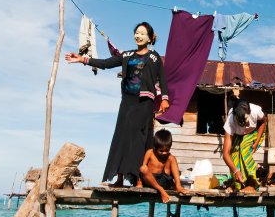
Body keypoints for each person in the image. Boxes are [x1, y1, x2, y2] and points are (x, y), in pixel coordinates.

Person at [65, 22, 169, 187]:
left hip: (145, 102)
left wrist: (164, 98)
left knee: (141, 140)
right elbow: (106, 63)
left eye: (142, 33)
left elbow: (162, 79)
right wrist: (81, 59)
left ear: (149, 38)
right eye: (136, 32)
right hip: (128, 101)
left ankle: (140, 179)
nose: (138, 36)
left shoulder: (154, 57)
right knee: (122, 138)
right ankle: (120, 179)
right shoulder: (127, 55)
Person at [222, 98, 266, 192]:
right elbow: (225, 153)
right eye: (241, 123)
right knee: (234, 154)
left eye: (246, 121)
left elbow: (263, 122)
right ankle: (238, 185)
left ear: (249, 112)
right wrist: (236, 171)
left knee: (243, 148)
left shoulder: (255, 111)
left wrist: (257, 141)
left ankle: (252, 184)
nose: (245, 125)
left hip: (255, 133)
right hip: (238, 136)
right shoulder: (230, 122)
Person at [139, 129, 187, 203]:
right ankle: (161, 190)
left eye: (167, 150)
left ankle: (178, 186)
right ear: (155, 147)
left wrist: (177, 184)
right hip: (151, 181)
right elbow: (142, 170)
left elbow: (173, 171)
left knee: (172, 158)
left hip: (164, 181)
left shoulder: (169, 157)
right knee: (143, 168)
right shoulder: (150, 153)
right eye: (161, 151)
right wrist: (139, 182)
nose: (164, 153)